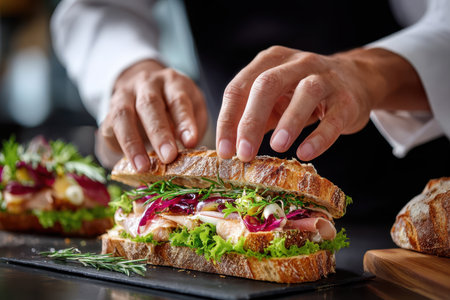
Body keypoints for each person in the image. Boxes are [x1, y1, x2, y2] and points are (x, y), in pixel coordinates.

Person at [51, 0, 450, 173]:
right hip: (238, 160)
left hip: (417, 180)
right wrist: (131, 69)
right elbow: (95, 8)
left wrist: (370, 73)